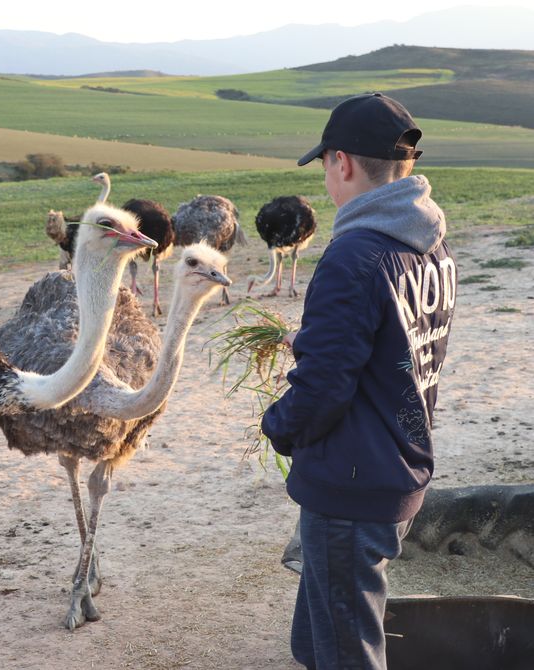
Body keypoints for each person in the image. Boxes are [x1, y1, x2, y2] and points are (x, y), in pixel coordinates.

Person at [261, 92, 457, 670]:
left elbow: (322, 391)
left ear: (341, 162)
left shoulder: (354, 255)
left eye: (325, 165)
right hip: (396, 461)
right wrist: (319, 343)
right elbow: (401, 340)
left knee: (349, 652)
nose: (326, 177)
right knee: (318, 638)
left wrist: (278, 425)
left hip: (350, 480)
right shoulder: (431, 243)